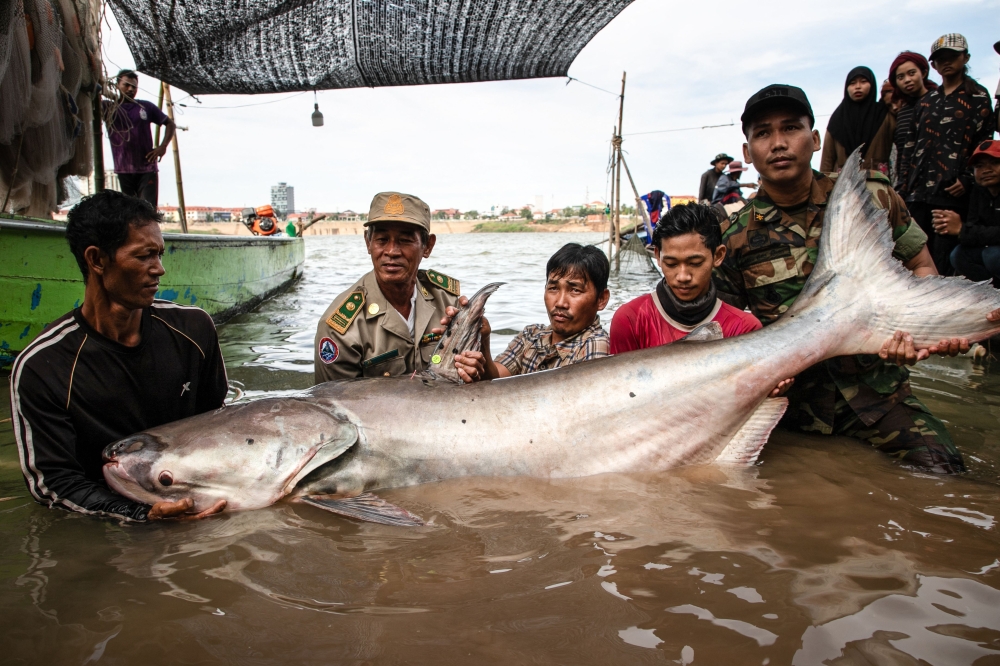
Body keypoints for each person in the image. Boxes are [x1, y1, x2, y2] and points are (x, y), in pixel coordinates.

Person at [713, 83, 984, 474]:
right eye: (762, 133)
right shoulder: (733, 234)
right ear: (747, 152)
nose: (777, 143)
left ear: (816, 138)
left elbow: (923, 269)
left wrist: (925, 330)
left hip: (879, 395)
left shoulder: (867, 199)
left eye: (791, 128)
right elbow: (727, 328)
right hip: (788, 410)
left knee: (945, 474)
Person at [9, 191, 228, 521]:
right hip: (109, 515)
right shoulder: (42, 366)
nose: (160, 270)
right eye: (144, 257)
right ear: (97, 259)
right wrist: (139, 516)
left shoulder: (194, 330)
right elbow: (53, 484)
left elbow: (219, 426)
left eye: (160, 255)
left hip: (197, 502)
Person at [315, 192, 483, 383]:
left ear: (427, 246)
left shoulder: (447, 301)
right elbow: (334, 405)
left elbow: (470, 379)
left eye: (405, 240)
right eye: (382, 240)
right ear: (368, 243)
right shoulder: (341, 327)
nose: (392, 251)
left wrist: (474, 368)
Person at [900, 34, 996, 275]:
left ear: (966, 57)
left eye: (952, 56)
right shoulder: (926, 101)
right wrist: (902, 187)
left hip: (950, 193)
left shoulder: (979, 97)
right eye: (940, 58)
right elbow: (910, 147)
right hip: (918, 194)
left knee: (944, 259)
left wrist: (967, 178)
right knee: (916, 255)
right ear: (933, 65)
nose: (946, 62)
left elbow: (983, 144)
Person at [610, 203, 762, 351]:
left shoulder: (744, 328)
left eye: (695, 263)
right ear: (658, 256)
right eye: (671, 264)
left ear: (718, 256)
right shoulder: (630, 320)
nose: (683, 277)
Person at [481, 243, 610, 378]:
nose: (560, 303)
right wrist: (483, 339)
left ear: (601, 299)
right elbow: (495, 378)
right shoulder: (530, 336)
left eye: (575, 290)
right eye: (553, 288)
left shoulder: (594, 344)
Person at [102, 70, 175, 206]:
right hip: (123, 168)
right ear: (118, 85)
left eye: (134, 87)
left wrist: (163, 146)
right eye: (126, 85)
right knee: (129, 211)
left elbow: (170, 124)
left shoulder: (145, 107)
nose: (130, 89)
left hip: (147, 168)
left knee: (147, 210)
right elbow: (92, 99)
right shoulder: (108, 107)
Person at [820, 66, 893, 174]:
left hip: (878, 187)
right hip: (844, 187)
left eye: (863, 82)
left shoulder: (884, 114)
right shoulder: (838, 119)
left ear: (872, 85)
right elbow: (827, 159)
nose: (858, 87)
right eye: (852, 83)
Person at [950, 140, 1000, 283]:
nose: (986, 170)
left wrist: (962, 230)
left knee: (992, 255)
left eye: (995, 163)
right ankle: (992, 296)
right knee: (959, 255)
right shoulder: (979, 192)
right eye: (979, 166)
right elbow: (974, 227)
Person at [888, 51, 938, 190]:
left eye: (911, 73)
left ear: (923, 73)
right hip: (908, 185)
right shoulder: (902, 111)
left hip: (936, 184)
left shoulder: (939, 102)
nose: (907, 80)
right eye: (900, 77)